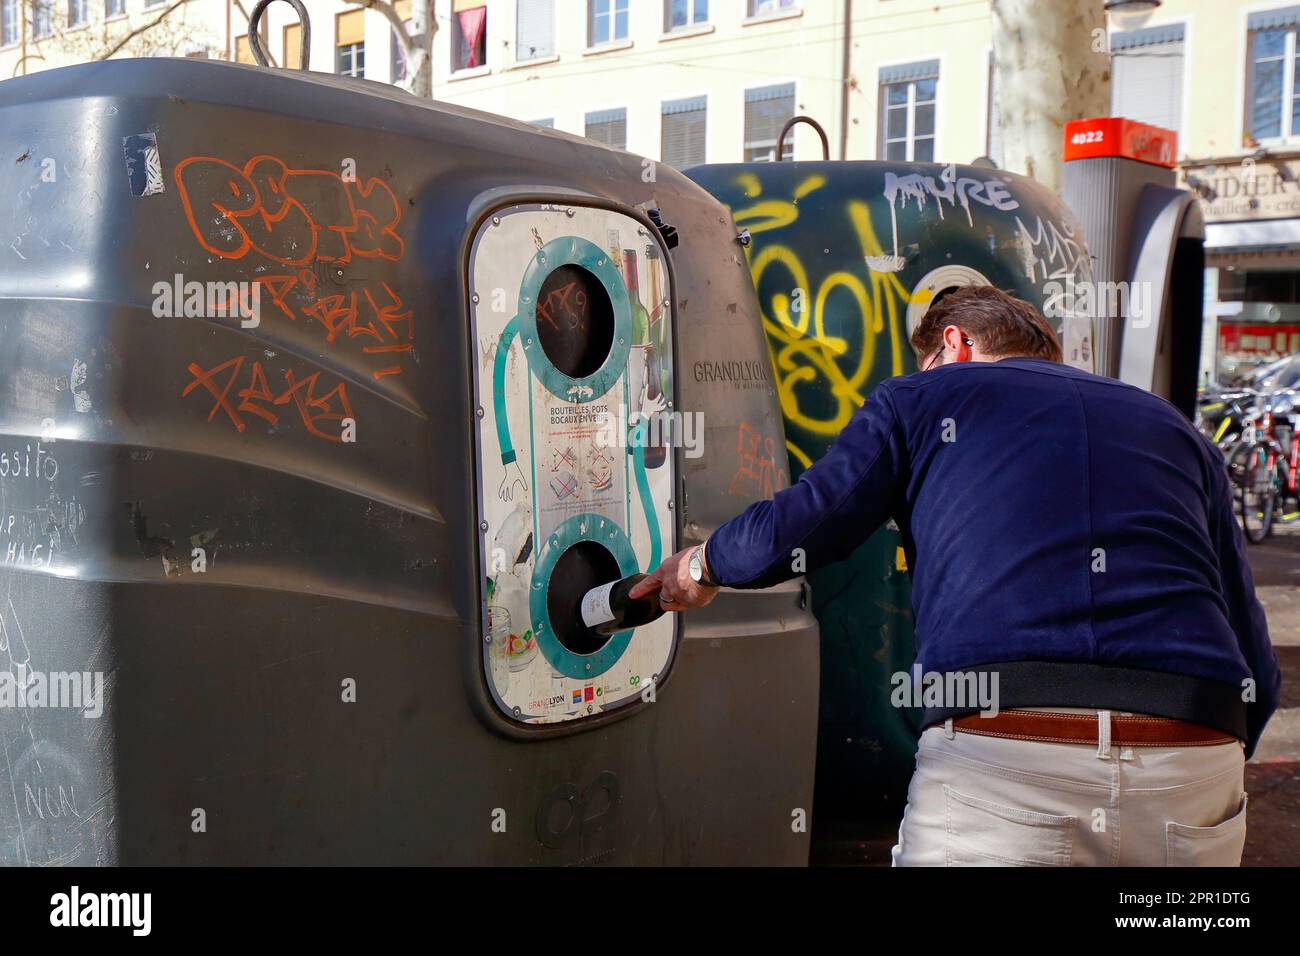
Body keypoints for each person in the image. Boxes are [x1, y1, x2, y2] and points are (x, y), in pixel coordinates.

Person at [630, 285, 1280, 867]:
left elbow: (801, 527)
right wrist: (1205, 748)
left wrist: (701, 565)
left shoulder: (922, 397)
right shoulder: (1170, 426)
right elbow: (1249, 639)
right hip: (1195, 745)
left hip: (1006, 750)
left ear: (954, 342)